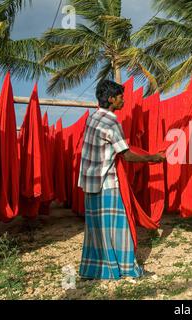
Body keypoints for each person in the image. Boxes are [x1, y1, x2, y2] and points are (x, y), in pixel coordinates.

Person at [77, 79, 165, 280]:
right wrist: (153, 158)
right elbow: (126, 155)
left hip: (90, 181)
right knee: (118, 226)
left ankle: (94, 269)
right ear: (111, 99)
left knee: (96, 228)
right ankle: (125, 267)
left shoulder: (92, 118)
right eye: (120, 97)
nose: (123, 100)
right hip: (106, 182)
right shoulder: (111, 122)